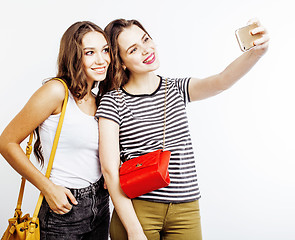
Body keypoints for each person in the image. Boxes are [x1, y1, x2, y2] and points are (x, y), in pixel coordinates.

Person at [95, 18, 269, 240]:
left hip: (186, 209)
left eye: (146, 39)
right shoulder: (113, 101)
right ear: (120, 62)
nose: (146, 50)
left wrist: (256, 53)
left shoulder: (176, 88)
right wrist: (134, 230)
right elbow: (109, 171)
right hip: (138, 211)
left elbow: (221, 81)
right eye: (133, 50)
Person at [0, 21, 113, 240]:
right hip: (64, 208)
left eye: (105, 50)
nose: (102, 59)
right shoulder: (56, 91)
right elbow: (6, 142)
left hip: (101, 202)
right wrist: (48, 188)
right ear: (74, 56)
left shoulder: (99, 99)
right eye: (90, 52)